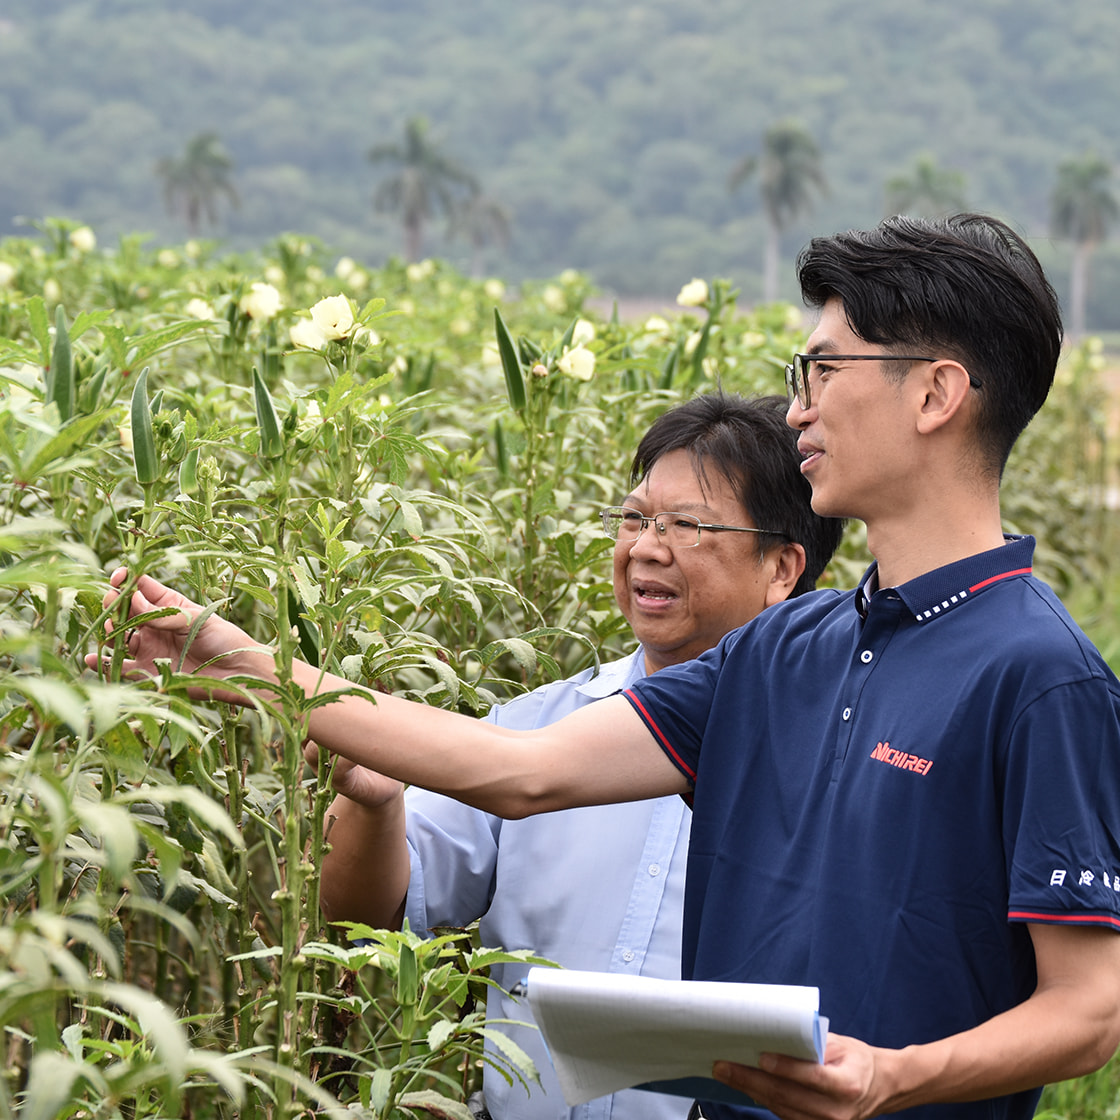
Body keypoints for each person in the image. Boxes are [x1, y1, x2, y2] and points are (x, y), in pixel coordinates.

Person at [94, 214, 1120, 1120]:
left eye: (822, 372)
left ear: (935, 392)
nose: (797, 410)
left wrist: (897, 1077)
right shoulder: (788, 647)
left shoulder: (1037, 676)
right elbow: (517, 770)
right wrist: (238, 660)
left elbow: (1088, 1011)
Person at [311, 392, 844, 1120]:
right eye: (635, 518)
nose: (646, 548)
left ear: (782, 567)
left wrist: (257, 669)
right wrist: (375, 804)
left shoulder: (842, 753)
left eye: (687, 525)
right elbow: (363, 911)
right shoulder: (532, 728)